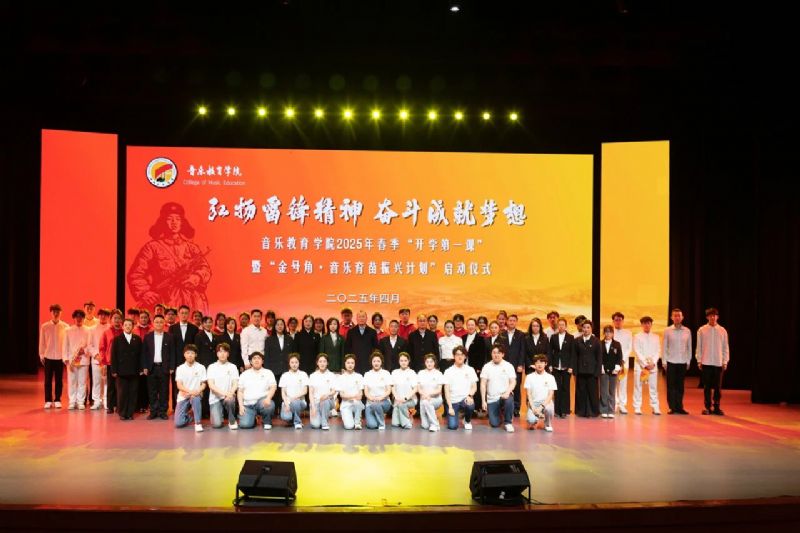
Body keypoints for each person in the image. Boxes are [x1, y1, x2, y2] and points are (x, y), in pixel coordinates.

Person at [127, 204, 211, 313]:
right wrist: (145, 293)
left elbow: (205, 268)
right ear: (163, 222)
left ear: (182, 223)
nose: (174, 222)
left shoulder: (191, 248)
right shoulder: (152, 247)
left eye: (178, 219)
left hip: (194, 303)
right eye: (170, 219)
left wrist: (197, 277)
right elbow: (135, 275)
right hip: (166, 303)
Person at [696, 307, 730, 416]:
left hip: (718, 362)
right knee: (707, 387)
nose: (712, 317)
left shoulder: (722, 330)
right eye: (710, 315)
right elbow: (699, 346)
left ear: (717, 317)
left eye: (714, 315)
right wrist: (699, 360)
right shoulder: (702, 330)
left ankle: (717, 407)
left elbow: (725, 347)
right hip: (706, 361)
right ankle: (707, 407)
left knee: (717, 387)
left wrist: (725, 361)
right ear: (707, 317)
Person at [141, 314, 175, 420]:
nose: (159, 324)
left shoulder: (169, 337)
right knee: (152, 391)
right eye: (157, 322)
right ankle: (153, 411)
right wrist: (144, 367)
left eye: (161, 322)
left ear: (164, 323)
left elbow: (172, 353)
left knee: (164, 391)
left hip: (164, 367)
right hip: (151, 368)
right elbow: (144, 353)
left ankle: (163, 411)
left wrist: (172, 366)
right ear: (153, 323)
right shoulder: (148, 337)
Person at [110, 318, 144, 420]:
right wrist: (114, 370)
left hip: (134, 370)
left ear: (133, 327)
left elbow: (141, 355)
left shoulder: (137, 339)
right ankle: (122, 413)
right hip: (121, 371)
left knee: (133, 392)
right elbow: (113, 355)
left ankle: (130, 413)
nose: (128, 326)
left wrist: (141, 368)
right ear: (123, 326)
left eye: (130, 325)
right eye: (126, 325)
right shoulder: (117, 339)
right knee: (122, 393)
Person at [168, 305, 199, 410]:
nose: (184, 315)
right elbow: (171, 347)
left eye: (186, 313)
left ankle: (189, 407)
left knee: (190, 383)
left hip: (190, 361)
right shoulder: (172, 328)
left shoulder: (194, 328)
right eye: (182, 313)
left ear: (189, 314)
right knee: (177, 384)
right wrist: (172, 364)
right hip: (177, 361)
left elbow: (195, 347)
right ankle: (176, 407)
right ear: (178, 314)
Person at [39, 304, 69, 409]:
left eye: (58, 312)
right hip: (48, 356)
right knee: (47, 380)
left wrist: (66, 356)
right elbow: (42, 342)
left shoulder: (65, 326)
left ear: (61, 313)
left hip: (60, 357)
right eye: (54, 312)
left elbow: (67, 343)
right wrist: (41, 355)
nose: (56, 314)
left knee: (59, 380)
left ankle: (57, 399)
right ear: (51, 313)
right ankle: (48, 400)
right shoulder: (45, 326)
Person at [481, 344, 517, 432]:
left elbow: (513, 382)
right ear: (491, 354)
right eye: (494, 353)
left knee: (509, 400)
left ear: (503, 354)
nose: (496, 355)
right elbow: (483, 384)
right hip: (492, 398)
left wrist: (507, 392)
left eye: (499, 353)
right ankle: (500, 414)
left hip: (504, 395)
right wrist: (483, 401)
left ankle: (508, 422)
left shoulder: (508, 366)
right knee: (494, 424)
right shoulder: (487, 366)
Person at [663, 308, 692, 415]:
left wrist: (688, 361)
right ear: (671, 317)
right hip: (671, 361)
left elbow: (689, 347)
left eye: (679, 315)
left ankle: (679, 407)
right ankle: (672, 407)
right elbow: (664, 347)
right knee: (671, 386)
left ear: (682, 317)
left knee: (680, 386)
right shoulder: (667, 330)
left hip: (682, 362)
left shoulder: (687, 331)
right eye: (675, 315)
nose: (677, 317)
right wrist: (664, 361)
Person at [237, 352, 277, 430]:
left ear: (262, 361)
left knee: (269, 405)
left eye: (259, 358)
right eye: (254, 358)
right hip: (248, 405)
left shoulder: (268, 372)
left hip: (262, 402)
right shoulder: (244, 374)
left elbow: (273, 387)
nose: (256, 360)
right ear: (251, 362)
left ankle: (266, 421)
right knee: (245, 425)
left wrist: (268, 398)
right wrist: (241, 406)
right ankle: (253, 418)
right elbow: (240, 391)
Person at [444, 346, 478, 430]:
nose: (460, 357)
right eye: (457, 354)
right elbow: (446, 390)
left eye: (462, 355)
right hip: (453, 401)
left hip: (465, 399)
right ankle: (454, 414)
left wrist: (470, 396)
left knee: (470, 405)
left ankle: (467, 420)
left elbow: (474, 387)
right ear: (454, 356)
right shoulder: (448, 371)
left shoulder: (470, 369)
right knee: (452, 426)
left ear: (465, 356)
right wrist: (450, 407)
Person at [206, 342, 239, 430]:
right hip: (215, 398)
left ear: (228, 354)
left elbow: (235, 383)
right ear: (217, 354)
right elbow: (211, 385)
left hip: (228, 397)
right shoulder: (211, 367)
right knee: (216, 425)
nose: (222, 354)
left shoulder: (233, 367)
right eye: (220, 352)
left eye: (225, 352)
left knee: (231, 400)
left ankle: (232, 421)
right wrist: (225, 393)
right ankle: (218, 417)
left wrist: (230, 393)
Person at [174, 344, 206, 432]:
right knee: (178, 423)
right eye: (188, 353)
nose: (190, 355)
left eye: (192, 353)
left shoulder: (201, 367)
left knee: (195, 398)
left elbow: (204, 384)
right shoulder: (180, 368)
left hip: (196, 395)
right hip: (183, 396)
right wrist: (190, 392)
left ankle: (198, 423)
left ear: (196, 355)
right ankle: (190, 416)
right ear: (184, 354)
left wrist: (198, 391)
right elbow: (179, 385)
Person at [633, 316, 661, 415]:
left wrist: (653, 362)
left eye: (648, 323)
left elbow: (658, 351)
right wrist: (645, 364)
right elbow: (637, 351)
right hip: (640, 366)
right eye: (644, 323)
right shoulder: (637, 336)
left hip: (652, 366)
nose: (646, 325)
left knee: (653, 387)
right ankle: (637, 407)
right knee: (638, 387)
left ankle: (655, 407)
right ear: (642, 325)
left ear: (651, 324)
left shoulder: (656, 337)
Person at [573, 319, 602, 418]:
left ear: (591, 329)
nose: (586, 329)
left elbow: (599, 357)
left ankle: (593, 412)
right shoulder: (577, 341)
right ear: (582, 328)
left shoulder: (596, 341)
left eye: (588, 327)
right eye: (584, 327)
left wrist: (597, 371)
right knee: (581, 392)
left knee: (592, 392)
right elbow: (575, 356)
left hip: (592, 371)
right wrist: (575, 370)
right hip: (580, 370)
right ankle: (581, 411)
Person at [63, 309, 91, 410]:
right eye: (77, 317)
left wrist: (85, 351)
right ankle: (72, 401)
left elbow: (90, 344)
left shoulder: (88, 330)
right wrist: (66, 359)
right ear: (74, 318)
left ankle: (80, 402)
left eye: (81, 317)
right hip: (72, 361)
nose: (79, 319)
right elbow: (65, 345)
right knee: (72, 381)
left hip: (84, 360)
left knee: (82, 382)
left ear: (83, 318)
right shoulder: (68, 330)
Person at [265, 318, 294, 412]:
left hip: (286, 368)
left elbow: (292, 354)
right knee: (275, 389)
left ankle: (284, 408)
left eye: (281, 324)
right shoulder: (269, 339)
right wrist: (267, 370)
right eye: (277, 324)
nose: (280, 326)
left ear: (284, 326)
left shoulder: (289, 338)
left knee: (285, 389)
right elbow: (267, 356)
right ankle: (274, 409)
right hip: (273, 368)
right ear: (274, 326)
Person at [99, 309, 124, 413]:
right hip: (110, 363)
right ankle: (110, 406)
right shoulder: (106, 332)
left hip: (122, 363)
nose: (117, 320)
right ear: (111, 319)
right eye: (115, 318)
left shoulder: (124, 331)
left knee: (120, 386)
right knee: (110, 386)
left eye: (119, 318)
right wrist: (103, 363)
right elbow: (102, 348)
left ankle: (119, 406)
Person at [549, 318, 574, 418]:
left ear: (566, 326)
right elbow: (550, 352)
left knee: (565, 388)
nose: (561, 326)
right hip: (556, 366)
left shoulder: (570, 337)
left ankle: (565, 411)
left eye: (563, 325)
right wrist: (550, 365)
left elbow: (572, 353)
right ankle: (557, 410)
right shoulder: (553, 337)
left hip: (566, 367)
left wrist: (571, 366)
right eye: (559, 325)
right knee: (557, 388)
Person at [462, 318, 488, 413]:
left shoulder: (480, 338)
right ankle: (465, 406)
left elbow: (482, 354)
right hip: (464, 366)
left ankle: (475, 408)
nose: (470, 327)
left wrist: (479, 367)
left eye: (472, 325)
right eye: (469, 325)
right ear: (466, 326)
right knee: (465, 385)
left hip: (475, 367)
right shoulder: (463, 337)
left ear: (475, 326)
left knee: (475, 386)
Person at [524, 355, 557, 431]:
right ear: (534, 364)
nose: (539, 365)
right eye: (537, 362)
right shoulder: (529, 377)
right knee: (531, 421)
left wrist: (541, 407)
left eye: (542, 362)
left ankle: (547, 423)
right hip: (534, 403)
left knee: (548, 409)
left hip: (546, 403)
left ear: (546, 364)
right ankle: (535, 419)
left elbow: (550, 395)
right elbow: (528, 394)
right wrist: (533, 407)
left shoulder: (550, 377)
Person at [86, 308, 110, 410]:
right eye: (101, 315)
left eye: (105, 315)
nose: (103, 317)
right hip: (96, 360)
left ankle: (106, 400)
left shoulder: (111, 328)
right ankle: (96, 401)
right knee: (96, 381)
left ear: (108, 317)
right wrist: (96, 355)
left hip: (108, 360)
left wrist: (107, 356)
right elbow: (89, 345)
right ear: (98, 316)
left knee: (107, 381)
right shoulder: (92, 329)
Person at [194, 315, 216, 418]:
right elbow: (197, 351)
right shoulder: (199, 336)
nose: (208, 324)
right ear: (202, 324)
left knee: (212, 387)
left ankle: (212, 409)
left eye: (210, 322)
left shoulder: (214, 335)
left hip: (213, 365)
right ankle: (203, 411)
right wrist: (198, 366)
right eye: (206, 322)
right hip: (203, 365)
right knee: (204, 388)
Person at [278, 354, 309, 429]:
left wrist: (294, 397)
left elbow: (305, 391)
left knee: (296, 402)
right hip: (288, 402)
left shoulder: (303, 374)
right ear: (289, 363)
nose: (294, 364)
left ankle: (297, 422)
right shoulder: (285, 375)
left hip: (300, 401)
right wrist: (286, 403)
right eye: (292, 362)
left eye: (296, 362)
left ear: (299, 363)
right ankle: (292, 418)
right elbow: (283, 392)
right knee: (286, 417)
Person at [363, 353, 392, 430]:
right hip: (370, 402)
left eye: (378, 361)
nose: (376, 363)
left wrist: (380, 398)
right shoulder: (367, 374)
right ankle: (379, 415)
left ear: (381, 362)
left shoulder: (386, 373)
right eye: (374, 361)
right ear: (371, 362)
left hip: (384, 401)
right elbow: (366, 392)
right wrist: (372, 399)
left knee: (376, 405)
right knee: (372, 425)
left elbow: (389, 390)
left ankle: (382, 424)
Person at [599, 325, 623, 418]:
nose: (608, 334)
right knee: (604, 391)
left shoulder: (617, 344)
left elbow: (619, 357)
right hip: (603, 370)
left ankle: (611, 410)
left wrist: (617, 367)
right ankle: (604, 409)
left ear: (612, 333)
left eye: (610, 332)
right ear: (604, 333)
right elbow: (599, 357)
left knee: (612, 391)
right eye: (606, 332)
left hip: (613, 371)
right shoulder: (600, 343)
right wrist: (601, 367)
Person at [612, 312, 633, 414]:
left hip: (624, 362)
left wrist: (623, 360)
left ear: (623, 321)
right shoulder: (610, 332)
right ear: (613, 321)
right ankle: (614, 404)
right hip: (613, 362)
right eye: (616, 320)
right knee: (613, 383)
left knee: (623, 384)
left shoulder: (628, 333)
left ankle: (622, 405)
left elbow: (629, 348)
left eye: (620, 320)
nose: (618, 322)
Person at [308, 354, 337, 430]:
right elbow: (311, 393)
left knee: (325, 401)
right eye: (320, 361)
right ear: (317, 363)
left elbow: (334, 391)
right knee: (315, 425)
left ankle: (324, 422)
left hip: (328, 401)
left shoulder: (332, 375)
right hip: (316, 402)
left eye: (324, 361)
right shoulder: (313, 376)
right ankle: (322, 414)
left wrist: (326, 395)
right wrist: (313, 407)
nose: (322, 363)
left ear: (327, 363)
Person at [505, 314, 526, 417]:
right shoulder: (502, 334)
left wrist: (521, 364)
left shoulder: (521, 334)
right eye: (510, 320)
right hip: (504, 366)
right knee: (505, 386)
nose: (512, 322)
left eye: (514, 320)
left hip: (516, 365)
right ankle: (505, 408)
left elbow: (522, 350)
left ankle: (516, 408)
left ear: (516, 322)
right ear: (507, 321)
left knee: (516, 387)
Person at [416, 354, 444, 431]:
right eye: (427, 362)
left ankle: (434, 424)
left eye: (431, 362)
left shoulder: (438, 373)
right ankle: (434, 420)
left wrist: (429, 395)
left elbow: (439, 390)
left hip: (436, 399)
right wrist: (424, 395)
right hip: (423, 399)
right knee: (425, 426)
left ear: (434, 362)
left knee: (426, 402)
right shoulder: (421, 373)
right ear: (425, 363)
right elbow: (418, 388)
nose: (429, 364)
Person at [336, 355, 365, 430]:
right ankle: (350, 418)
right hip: (346, 404)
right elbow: (342, 395)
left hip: (356, 403)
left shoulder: (359, 376)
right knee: (349, 426)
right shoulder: (340, 378)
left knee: (358, 403)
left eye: (352, 363)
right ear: (345, 364)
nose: (350, 365)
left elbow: (360, 395)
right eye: (348, 363)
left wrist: (351, 397)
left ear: (354, 364)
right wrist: (354, 396)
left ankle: (357, 422)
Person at [390, 353, 418, 429]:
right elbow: (392, 387)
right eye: (401, 360)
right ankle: (407, 417)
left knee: (402, 405)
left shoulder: (412, 373)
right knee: (395, 424)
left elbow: (415, 388)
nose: (403, 362)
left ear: (408, 361)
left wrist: (405, 398)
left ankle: (407, 423)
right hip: (398, 401)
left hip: (410, 400)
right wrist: (396, 397)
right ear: (399, 361)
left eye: (405, 360)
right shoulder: (394, 372)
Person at [133, 310, 154, 413]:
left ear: (148, 318)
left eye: (145, 317)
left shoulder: (152, 329)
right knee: (138, 383)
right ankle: (138, 405)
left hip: (149, 359)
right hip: (137, 359)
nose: (143, 319)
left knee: (147, 384)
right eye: (142, 317)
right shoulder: (134, 329)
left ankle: (146, 405)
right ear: (138, 318)